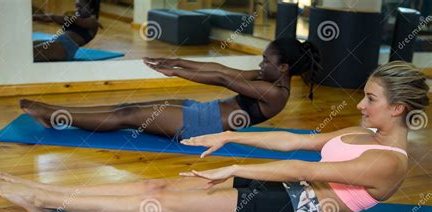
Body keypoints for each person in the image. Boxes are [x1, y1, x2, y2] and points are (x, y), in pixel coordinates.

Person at [0, 61, 428, 212]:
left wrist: (235, 167)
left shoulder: (386, 163)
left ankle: (42, 198)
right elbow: (296, 141)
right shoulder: (363, 134)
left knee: (158, 202)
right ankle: (44, 197)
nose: (360, 104)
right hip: (285, 190)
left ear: (397, 108)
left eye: (370, 99)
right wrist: (230, 137)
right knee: (154, 183)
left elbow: (301, 167)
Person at [18, 38, 320, 140]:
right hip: (200, 111)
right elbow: (223, 70)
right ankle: (57, 114)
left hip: (202, 126)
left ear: (283, 68)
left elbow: (222, 79)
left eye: (266, 60)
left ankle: (56, 115)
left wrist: (175, 71)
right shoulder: (264, 77)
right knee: (127, 108)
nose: (261, 62)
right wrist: (175, 60)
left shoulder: (276, 94)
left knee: (129, 115)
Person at [0, 0, 100, 64]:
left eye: (80, 7)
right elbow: (52, 19)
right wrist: (34, 16)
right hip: (57, 42)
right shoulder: (75, 17)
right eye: (75, 6)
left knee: (28, 54)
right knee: (23, 47)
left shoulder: (92, 22)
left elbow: (73, 21)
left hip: (66, 48)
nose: (76, 10)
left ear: (92, 10)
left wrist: (52, 17)